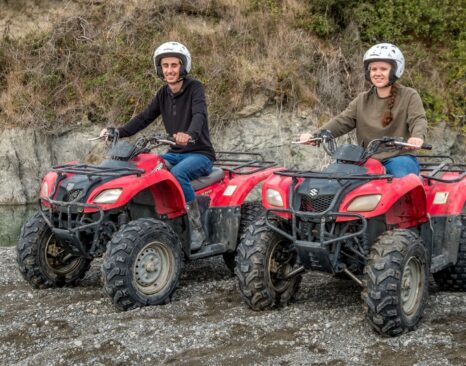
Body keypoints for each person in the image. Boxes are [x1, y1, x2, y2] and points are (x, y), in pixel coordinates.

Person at [100, 41, 215, 250]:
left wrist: (190, 134)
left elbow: (199, 114)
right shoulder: (163, 93)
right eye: (165, 66)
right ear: (160, 69)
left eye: (174, 65)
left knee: (179, 174)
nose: (169, 70)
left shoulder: (195, 88)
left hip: (200, 154)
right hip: (174, 153)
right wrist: (118, 131)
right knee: (145, 168)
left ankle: (197, 229)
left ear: (183, 67)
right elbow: (144, 118)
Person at [300, 43, 428, 178]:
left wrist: (417, 137)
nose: (377, 73)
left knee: (400, 178)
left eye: (383, 69)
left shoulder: (409, 95)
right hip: (366, 157)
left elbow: (418, 119)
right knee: (337, 176)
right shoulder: (362, 99)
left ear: (395, 70)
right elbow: (342, 121)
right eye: (373, 69)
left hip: (399, 157)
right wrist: (316, 135)